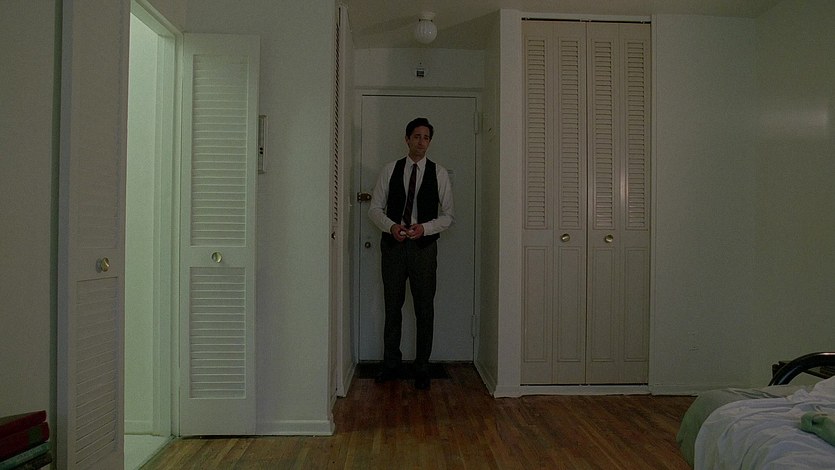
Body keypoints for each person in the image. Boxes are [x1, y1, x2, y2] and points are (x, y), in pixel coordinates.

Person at [368, 117, 455, 390]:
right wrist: (391, 226)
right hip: (393, 247)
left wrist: (425, 228)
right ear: (407, 139)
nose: (421, 142)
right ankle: (391, 364)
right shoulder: (390, 170)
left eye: (426, 137)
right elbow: (374, 209)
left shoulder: (439, 173)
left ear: (430, 142)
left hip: (424, 249)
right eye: (416, 136)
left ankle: (422, 367)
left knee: (424, 308)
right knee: (392, 306)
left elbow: (448, 216)